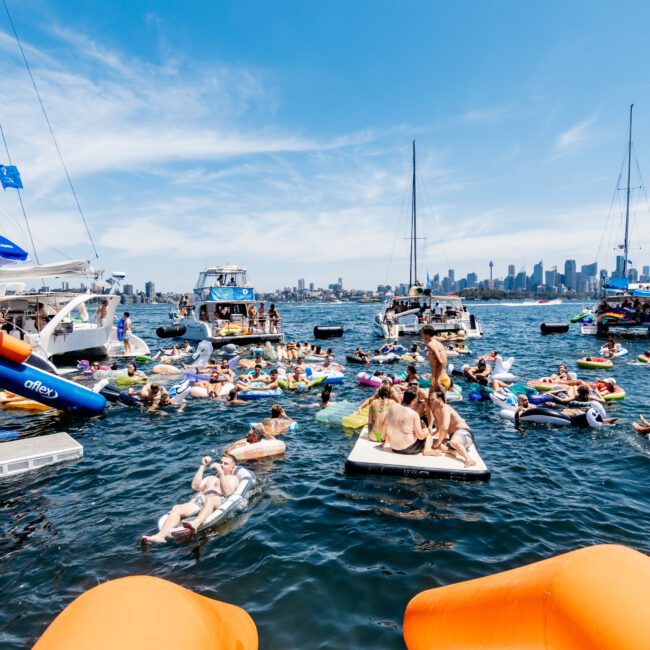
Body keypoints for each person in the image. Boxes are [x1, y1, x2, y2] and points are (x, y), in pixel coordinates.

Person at [141, 455, 240, 543]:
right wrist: (202, 466)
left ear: (232, 467)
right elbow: (195, 487)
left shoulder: (233, 479)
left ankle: (195, 524)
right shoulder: (210, 478)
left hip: (217, 501)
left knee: (211, 499)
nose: (222, 465)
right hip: (200, 502)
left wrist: (221, 473)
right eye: (221, 462)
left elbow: (228, 492)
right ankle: (160, 536)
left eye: (225, 464)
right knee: (177, 508)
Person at [425, 391, 476, 467]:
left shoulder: (445, 408)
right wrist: (431, 435)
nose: (430, 401)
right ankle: (452, 451)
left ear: (439, 399)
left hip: (465, 434)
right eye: (430, 399)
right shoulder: (435, 410)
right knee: (429, 442)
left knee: (453, 442)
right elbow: (439, 428)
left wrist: (439, 442)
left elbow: (445, 427)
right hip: (454, 436)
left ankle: (469, 460)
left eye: (432, 399)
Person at [420, 324, 450, 394]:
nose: (421, 336)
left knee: (431, 402)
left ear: (427, 335)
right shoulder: (438, 343)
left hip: (438, 380)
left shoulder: (430, 345)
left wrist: (436, 380)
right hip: (444, 377)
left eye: (421, 334)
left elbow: (440, 362)